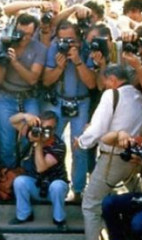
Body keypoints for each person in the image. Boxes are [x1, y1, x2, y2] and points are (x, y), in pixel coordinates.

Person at [76, 65, 142, 240]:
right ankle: (135, 238)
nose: (104, 85)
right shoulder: (137, 95)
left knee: (90, 202)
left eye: (106, 81)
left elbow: (98, 127)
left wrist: (82, 142)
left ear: (113, 79)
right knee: (138, 197)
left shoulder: (111, 95)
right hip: (134, 158)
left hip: (112, 156)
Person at [42, 20, 97, 198]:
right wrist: (60, 67)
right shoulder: (54, 48)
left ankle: (78, 189)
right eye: (62, 40)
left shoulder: (87, 50)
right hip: (59, 100)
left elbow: (91, 83)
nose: (66, 44)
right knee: (49, 142)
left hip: (81, 102)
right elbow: (46, 81)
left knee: (79, 147)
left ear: (79, 39)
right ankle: (54, 183)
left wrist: (78, 61)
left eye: (70, 40)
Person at [0, 13, 47, 169]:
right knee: (6, 141)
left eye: (29, 35)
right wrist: (0, 59)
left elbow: (32, 79)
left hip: (29, 96)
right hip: (6, 96)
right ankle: (7, 176)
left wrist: (15, 62)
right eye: (21, 33)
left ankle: (26, 172)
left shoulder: (39, 48)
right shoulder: (6, 43)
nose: (24, 38)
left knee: (30, 137)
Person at [8, 111, 69, 230]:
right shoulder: (34, 133)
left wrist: (38, 144)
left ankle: (59, 219)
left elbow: (41, 167)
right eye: (41, 127)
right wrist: (25, 116)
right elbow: (12, 121)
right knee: (19, 181)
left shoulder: (59, 145)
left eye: (48, 129)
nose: (44, 132)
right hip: (37, 185)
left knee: (57, 186)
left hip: (54, 187)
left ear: (55, 129)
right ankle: (24, 215)